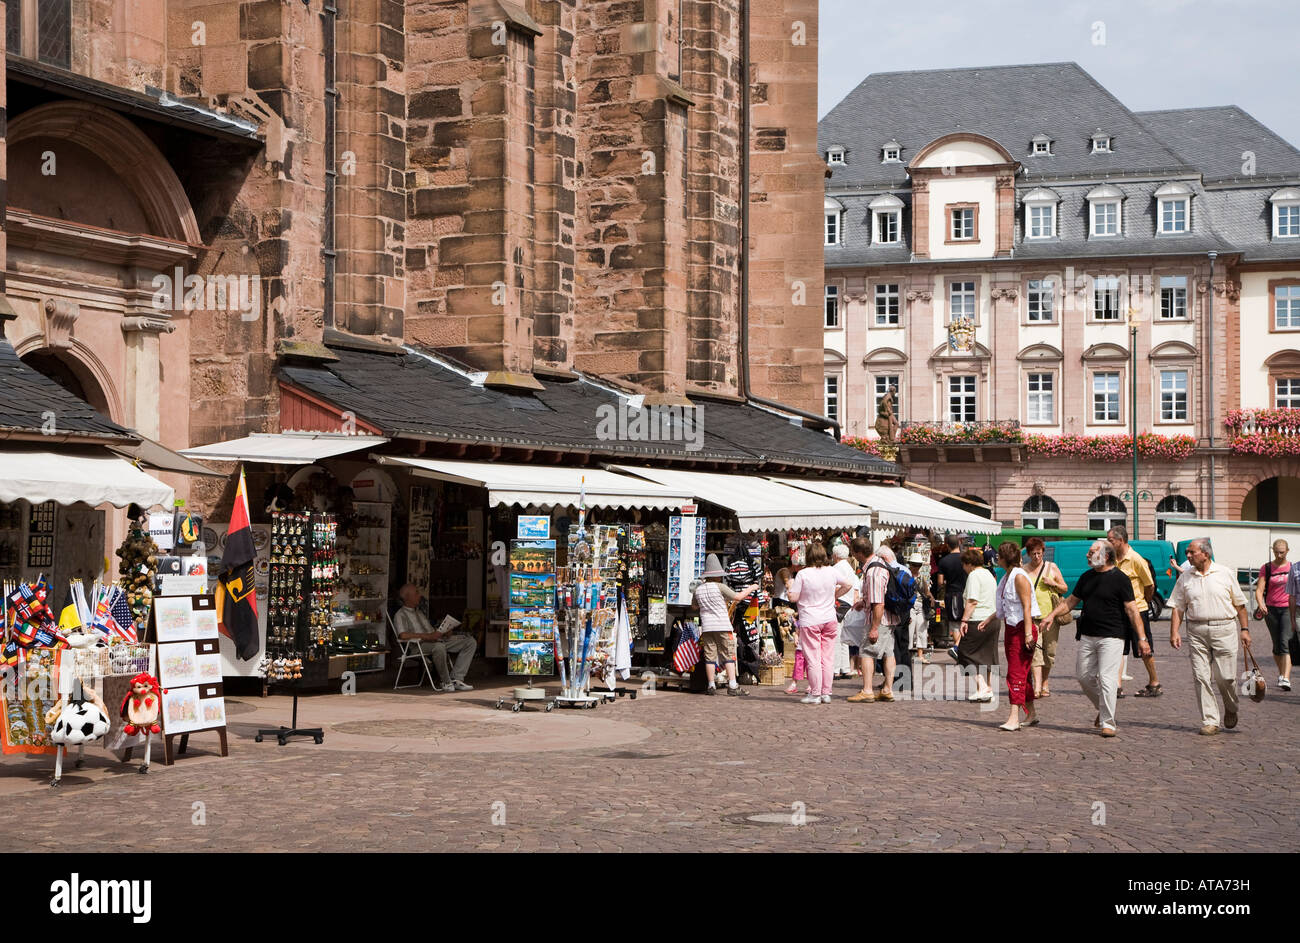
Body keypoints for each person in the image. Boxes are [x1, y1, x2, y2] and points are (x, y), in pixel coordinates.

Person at [1038, 540, 1146, 738]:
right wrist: (1051, 616)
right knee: (1083, 676)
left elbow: (1132, 609)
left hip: (1113, 636)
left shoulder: (1120, 579)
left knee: (1107, 678)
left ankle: (1108, 723)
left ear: (1105, 556)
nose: (1087, 555)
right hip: (1087, 635)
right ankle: (1105, 709)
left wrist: (1142, 638)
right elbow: (1071, 601)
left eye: (1091, 552)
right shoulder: (1086, 577)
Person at [1168, 539, 1251, 735]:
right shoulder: (1185, 578)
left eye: (1191, 552)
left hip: (1224, 628)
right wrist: (1174, 631)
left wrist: (1245, 629)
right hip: (1196, 631)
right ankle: (1210, 720)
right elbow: (1178, 607)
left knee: (1226, 678)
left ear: (1205, 554)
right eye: (1187, 552)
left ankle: (1231, 707)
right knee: (1201, 677)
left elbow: (1240, 605)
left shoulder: (1225, 573)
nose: (1187, 556)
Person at [787, 541, 856, 704]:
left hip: (810, 619)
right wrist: (834, 596)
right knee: (827, 657)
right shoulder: (831, 571)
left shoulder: (803, 574)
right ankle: (826, 692)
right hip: (829, 618)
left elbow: (794, 597)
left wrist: (790, 588)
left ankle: (815, 693)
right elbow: (848, 584)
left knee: (813, 658)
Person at [985, 541, 1039, 730]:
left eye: (998, 556)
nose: (996, 559)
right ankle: (1030, 712)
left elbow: (1027, 606)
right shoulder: (1007, 576)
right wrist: (989, 619)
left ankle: (1014, 717)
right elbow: (1006, 606)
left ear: (1004, 558)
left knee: (1015, 673)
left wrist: (1027, 635)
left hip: (1022, 629)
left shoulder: (1019, 577)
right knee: (1023, 674)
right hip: (1012, 628)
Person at [690, 554, 757, 696]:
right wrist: (751, 587)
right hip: (722, 625)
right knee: (728, 655)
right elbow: (738, 597)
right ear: (717, 575)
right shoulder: (720, 587)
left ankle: (711, 685)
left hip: (707, 627)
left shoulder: (698, 589)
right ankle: (732, 685)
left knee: (710, 656)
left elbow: (694, 607)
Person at [393, 583, 477, 691]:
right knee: (438, 647)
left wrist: (444, 631)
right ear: (407, 597)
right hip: (419, 646)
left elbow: (431, 632)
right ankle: (446, 682)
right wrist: (428, 636)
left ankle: (456, 678)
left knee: (470, 642)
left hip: (436, 640)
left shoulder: (419, 612)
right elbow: (403, 635)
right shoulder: (400, 614)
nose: (419, 596)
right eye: (416, 593)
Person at [1109, 526, 1160, 698]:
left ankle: (1154, 682)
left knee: (1144, 648)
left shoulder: (1136, 559)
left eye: (1111, 540)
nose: (1108, 543)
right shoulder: (1112, 558)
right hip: (1118, 611)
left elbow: (1150, 585)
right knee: (1118, 648)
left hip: (1137, 611)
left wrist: (1142, 602)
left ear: (1121, 541)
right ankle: (1117, 686)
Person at [850, 545, 903, 702]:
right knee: (888, 653)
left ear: (859, 553)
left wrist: (874, 627)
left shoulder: (873, 571)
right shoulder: (880, 564)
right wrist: (864, 602)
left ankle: (867, 690)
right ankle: (887, 689)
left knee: (867, 652)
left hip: (879, 619)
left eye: (854, 553)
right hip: (889, 618)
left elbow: (879, 602)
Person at [950, 547, 998, 701]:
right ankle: (987, 689)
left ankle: (982, 685)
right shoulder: (988, 574)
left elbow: (972, 601)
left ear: (969, 563)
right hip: (993, 619)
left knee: (964, 652)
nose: (963, 568)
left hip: (978, 620)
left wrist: (964, 620)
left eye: (964, 565)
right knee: (988, 655)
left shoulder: (974, 576)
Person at [1024, 536, 1067, 697]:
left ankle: (1045, 682)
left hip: (1050, 617)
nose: (1037, 557)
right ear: (1028, 554)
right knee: (1036, 651)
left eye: (1039, 553)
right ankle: (1037, 685)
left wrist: (1053, 584)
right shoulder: (1024, 569)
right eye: (1034, 554)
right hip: (1032, 617)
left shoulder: (1051, 567)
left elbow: (1064, 588)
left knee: (1049, 651)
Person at [1256, 539, 1293, 691]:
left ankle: (1286, 678)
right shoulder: (1266, 568)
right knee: (1277, 645)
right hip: (1270, 609)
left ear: (1287, 551)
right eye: (1276, 552)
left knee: (1285, 642)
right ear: (1273, 550)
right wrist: (1261, 603)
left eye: (1282, 552)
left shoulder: (1293, 568)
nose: (1279, 555)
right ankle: (1281, 673)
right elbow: (1259, 589)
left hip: (1287, 609)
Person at [831, 543, 858, 679]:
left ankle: (835, 669)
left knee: (835, 637)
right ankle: (845, 668)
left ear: (835, 556)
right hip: (849, 605)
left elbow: (834, 587)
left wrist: (833, 596)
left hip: (839, 604)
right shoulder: (850, 568)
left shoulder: (836, 568)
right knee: (843, 638)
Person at [935, 534, 966, 648]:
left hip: (952, 594)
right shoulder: (965, 558)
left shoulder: (944, 561)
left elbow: (940, 581)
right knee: (965, 621)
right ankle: (962, 648)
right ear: (959, 543)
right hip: (966, 593)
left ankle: (958, 649)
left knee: (954, 624)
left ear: (947, 546)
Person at [906, 552, 931, 665]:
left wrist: (932, 601)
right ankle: (908, 654)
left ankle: (920, 655)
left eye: (918, 565)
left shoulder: (923, 578)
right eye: (914, 565)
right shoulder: (906, 576)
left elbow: (926, 592)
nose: (916, 567)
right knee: (910, 630)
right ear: (910, 564)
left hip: (921, 604)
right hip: (910, 605)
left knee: (921, 629)